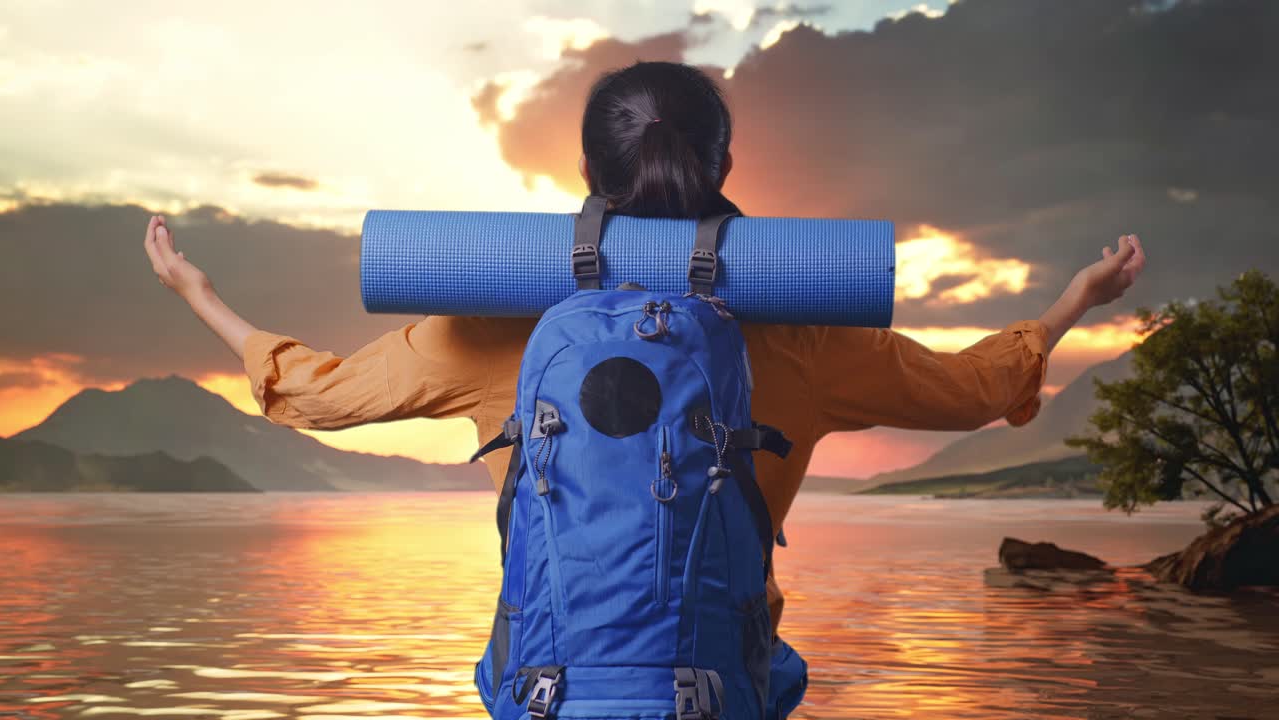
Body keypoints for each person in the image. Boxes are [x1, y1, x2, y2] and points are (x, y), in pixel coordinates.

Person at [143, 59, 1145, 714]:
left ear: (586, 167)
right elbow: (972, 389)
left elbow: (318, 396)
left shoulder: (497, 330)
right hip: (720, 690)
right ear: (723, 162)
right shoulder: (802, 335)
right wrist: (1070, 300)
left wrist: (201, 295)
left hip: (544, 689)